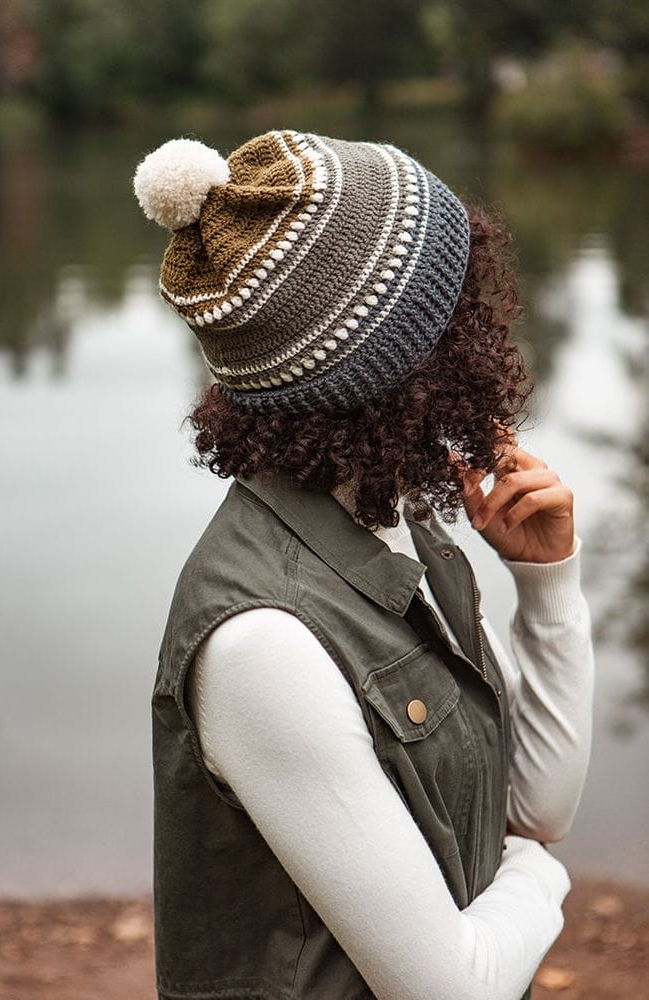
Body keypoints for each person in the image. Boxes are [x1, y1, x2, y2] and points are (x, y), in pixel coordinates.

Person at [133, 129, 594, 1000]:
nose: (486, 324)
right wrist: (537, 879)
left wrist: (547, 584)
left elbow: (534, 807)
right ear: (402, 365)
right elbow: (452, 987)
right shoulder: (260, 644)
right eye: (460, 307)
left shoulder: (397, 522)